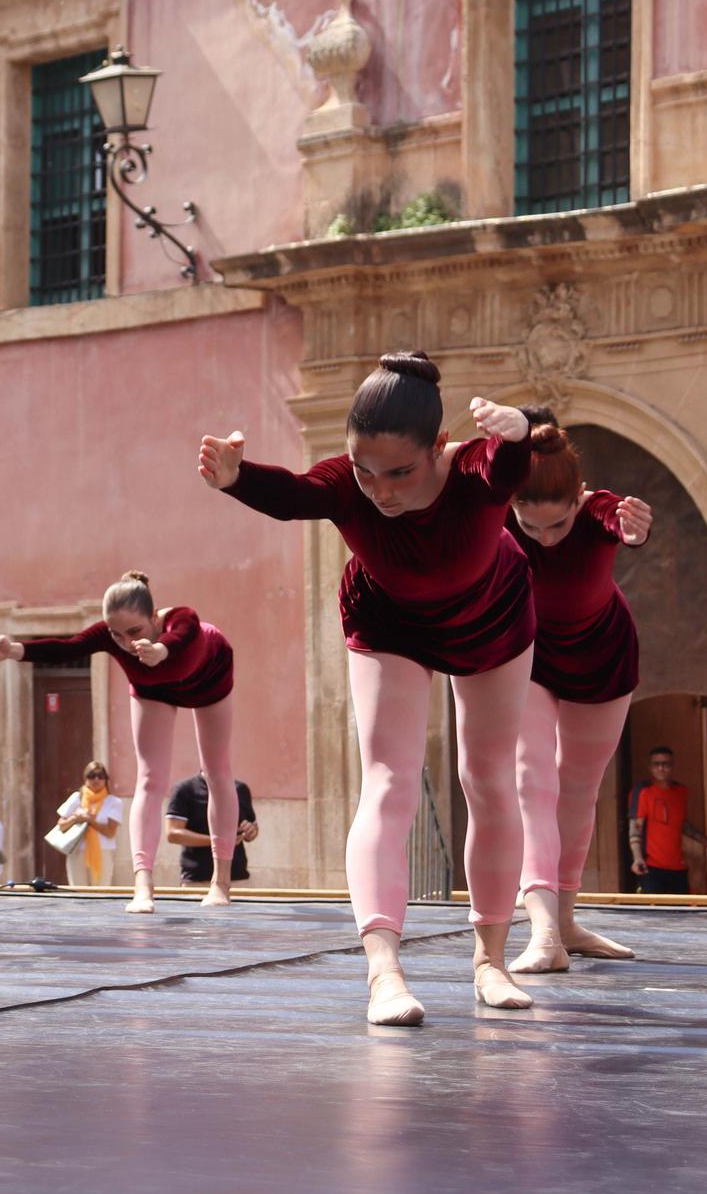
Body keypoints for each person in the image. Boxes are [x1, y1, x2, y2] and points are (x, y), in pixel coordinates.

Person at [201, 352, 538, 1025]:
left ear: (439, 447)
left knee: (491, 779)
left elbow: (518, 459)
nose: (379, 489)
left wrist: (521, 427)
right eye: (364, 469)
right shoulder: (348, 486)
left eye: (400, 472)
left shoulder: (474, 470)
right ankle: (383, 970)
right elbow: (297, 493)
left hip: (492, 611)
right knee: (388, 779)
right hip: (388, 617)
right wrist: (239, 478)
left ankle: (489, 960)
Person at [0, 570, 236, 913]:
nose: (126, 643)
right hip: (153, 688)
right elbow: (68, 646)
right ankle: (143, 886)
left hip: (209, 676)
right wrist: (14, 649)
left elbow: (184, 636)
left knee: (217, 771)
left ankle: (221, 883)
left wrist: (160, 650)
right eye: (116, 635)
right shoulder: (110, 636)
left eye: (135, 632)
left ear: (154, 615)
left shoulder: (181, 618)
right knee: (149, 778)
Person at [505, 408, 652, 972]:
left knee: (579, 788)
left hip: (604, 658)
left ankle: (566, 921)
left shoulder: (598, 509)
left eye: (556, 526)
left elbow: (625, 525)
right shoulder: (499, 514)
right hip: (531, 655)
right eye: (528, 525)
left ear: (579, 500)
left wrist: (636, 528)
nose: (542, 538)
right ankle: (543, 931)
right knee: (531, 780)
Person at [628, 747, 703, 895]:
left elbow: (681, 823)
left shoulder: (681, 792)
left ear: (672, 766)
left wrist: (703, 839)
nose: (661, 768)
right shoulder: (643, 791)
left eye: (666, 764)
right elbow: (636, 826)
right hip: (651, 866)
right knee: (655, 914)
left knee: (681, 913)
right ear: (650, 767)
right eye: (656, 764)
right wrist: (637, 859)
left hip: (678, 865)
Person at [165, 773, 259, 887]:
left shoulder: (240, 789)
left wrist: (250, 831)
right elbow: (172, 833)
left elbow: (252, 827)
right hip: (197, 880)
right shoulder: (184, 789)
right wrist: (218, 842)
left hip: (237, 878)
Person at [54, 761, 125, 888]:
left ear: (105, 779)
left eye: (100, 776)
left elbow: (110, 832)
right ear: (85, 778)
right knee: (78, 891)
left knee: (101, 892)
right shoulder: (76, 798)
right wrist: (75, 818)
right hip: (77, 851)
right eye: (91, 775)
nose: (96, 779)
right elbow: (61, 825)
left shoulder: (113, 802)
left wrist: (90, 820)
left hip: (103, 852)